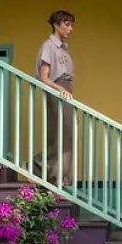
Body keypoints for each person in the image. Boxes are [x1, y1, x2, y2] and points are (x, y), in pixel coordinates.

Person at [33, 10, 75, 186]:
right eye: (67, 24)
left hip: (65, 90)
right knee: (59, 136)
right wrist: (60, 89)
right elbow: (44, 78)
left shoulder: (63, 48)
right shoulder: (48, 46)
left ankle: (61, 177)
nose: (70, 29)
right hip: (56, 90)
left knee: (68, 136)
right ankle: (36, 167)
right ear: (56, 25)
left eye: (72, 25)